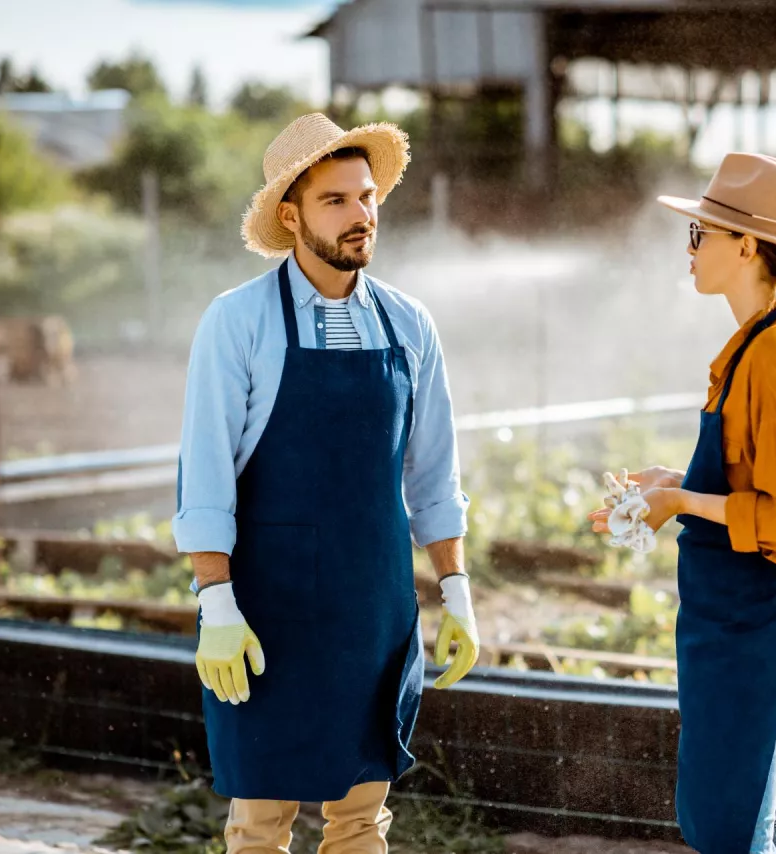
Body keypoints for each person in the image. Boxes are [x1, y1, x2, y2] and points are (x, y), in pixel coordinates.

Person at [173, 113, 478, 854]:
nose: (360, 216)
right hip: (262, 617)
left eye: (367, 197)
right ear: (291, 214)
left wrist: (457, 591)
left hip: (372, 611)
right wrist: (216, 601)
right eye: (336, 201)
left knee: (360, 822)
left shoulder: (409, 325)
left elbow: (434, 472)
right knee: (258, 826)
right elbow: (205, 473)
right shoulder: (237, 322)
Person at [590, 153, 776, 853]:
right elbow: (753, 475)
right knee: (772, 815)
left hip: (761, 619)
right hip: (760, 614)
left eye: (700, 234)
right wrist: (670, 481)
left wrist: (681, 499)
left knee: (734, 828)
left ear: (745, 246)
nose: (690, 249)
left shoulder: (775, 355)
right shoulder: (761, 341)